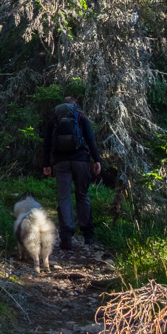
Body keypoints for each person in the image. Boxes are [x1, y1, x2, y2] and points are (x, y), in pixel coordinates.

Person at [43, 96, 102, 250]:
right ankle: (88, 235)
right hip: (81, 161)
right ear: (75, 105)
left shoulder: (54, 120)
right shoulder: (81, 117)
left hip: (60, 162)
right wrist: (97, 160)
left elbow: (47, 143)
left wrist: (46, 164)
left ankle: (66, 237)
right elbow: (90, 139)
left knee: (64, 197)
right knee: (82, 195)